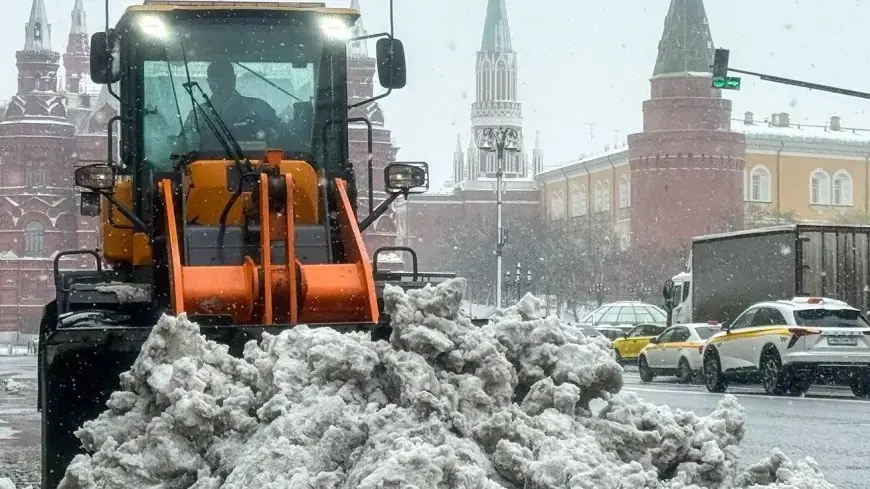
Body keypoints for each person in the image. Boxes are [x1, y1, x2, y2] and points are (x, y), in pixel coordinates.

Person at [181, 60, 284, 152]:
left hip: (256, 168)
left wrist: (263, 134)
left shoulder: (259, 108)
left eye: (223, 80)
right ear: (208, 82)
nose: (219, 86)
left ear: (233, 79)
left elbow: (281, 136)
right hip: (208, 169)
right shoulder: (199, 115)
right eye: (215, 81)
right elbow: (187, 149)